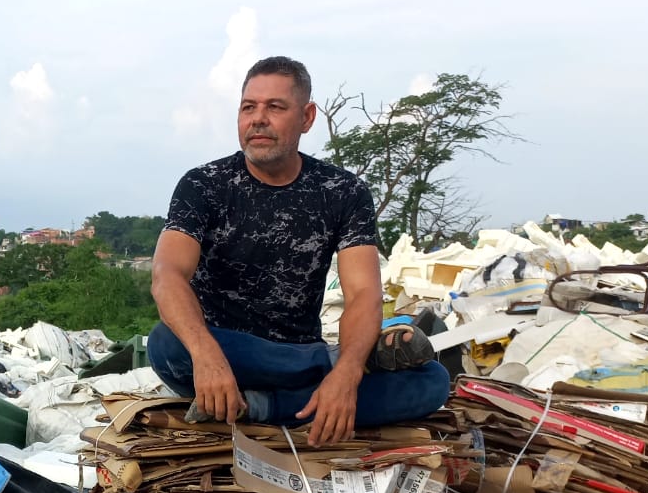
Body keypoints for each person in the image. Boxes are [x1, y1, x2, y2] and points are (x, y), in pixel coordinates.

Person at [148, 55, 450, 445]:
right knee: (167, 344)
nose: (258, 119)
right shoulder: (204, 185)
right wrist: (205, 353)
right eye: (248, 107)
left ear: (307, 118)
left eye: (275, 107)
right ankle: (324, 363)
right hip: (223, 358)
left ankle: (266, 406)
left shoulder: (342, 191)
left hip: (296, 352)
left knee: (433, 381)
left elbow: (363, 292)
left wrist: (346, 375)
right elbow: (167, 275)